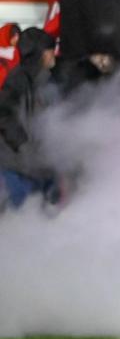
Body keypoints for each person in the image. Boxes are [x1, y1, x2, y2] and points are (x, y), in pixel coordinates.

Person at [0, 27, 61, 211]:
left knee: (49, 216)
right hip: (17, 165)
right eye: (50, 50)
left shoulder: (44, 79)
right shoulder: (18, 79)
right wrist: (22, 144)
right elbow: (2, 113)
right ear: (39, 54)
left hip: (38, 163)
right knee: (25, 217)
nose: (54, 55)